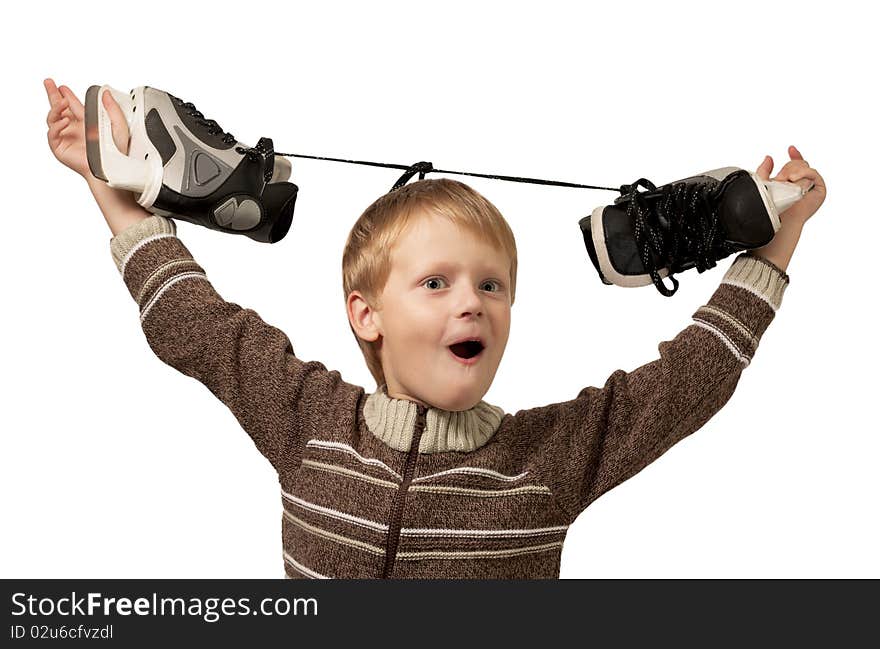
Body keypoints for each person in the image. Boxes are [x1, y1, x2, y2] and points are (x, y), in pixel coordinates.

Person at [43, 78, 827, 579]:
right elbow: (197, 325)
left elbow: (691, 379)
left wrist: (777, 243)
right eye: (436, 282)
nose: (474, 301)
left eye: (493, 284)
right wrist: (106, 188)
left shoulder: (550, 457)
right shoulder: (309, 419)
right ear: (367, 315)